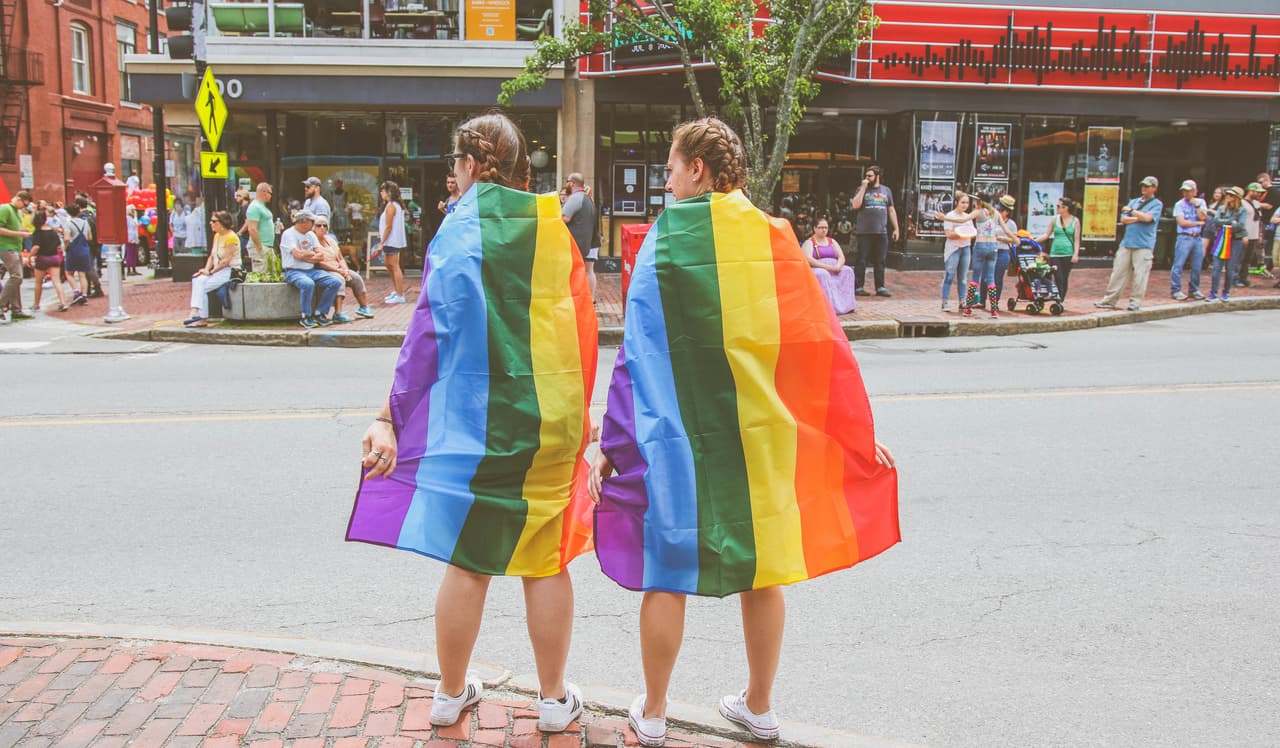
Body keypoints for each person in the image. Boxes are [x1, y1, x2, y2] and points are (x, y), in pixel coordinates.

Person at [589, 117, 898, 748]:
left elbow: (637, 356)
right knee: (762, 569)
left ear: (697, 169)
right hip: (759, 436)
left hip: (678, 440)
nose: (668, 182)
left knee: (666, 570)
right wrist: (850, 434)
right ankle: (759, 706)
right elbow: (816, 348)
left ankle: (652, 713)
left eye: (672, 169)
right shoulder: (774, 236)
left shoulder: (664, 242)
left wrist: (615, 445)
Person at [350, 111, 596, 735]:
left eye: (454, 165)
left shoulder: (456, 233)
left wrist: (391, 417)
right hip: (545, 418)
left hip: (471, 423)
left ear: (470, 164)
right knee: (544, 559)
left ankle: (450, 693)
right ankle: (552, 699)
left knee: (468, 560)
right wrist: (581, 411)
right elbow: (579, 331)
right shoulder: (551, 229)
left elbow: (426, 337)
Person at [1096, 176, 1163, 312]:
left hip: (1144, 245)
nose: (1144, 188)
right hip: (1127, 243)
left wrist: (1133, 212)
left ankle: (1135, 303)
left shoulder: (1157, 204)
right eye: (1143, 185)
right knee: (1118, 273)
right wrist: (1138, 217)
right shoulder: (1134, 201)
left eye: (1147, 186)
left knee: (1140, 276)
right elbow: (1124, 219)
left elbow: (1148, 218)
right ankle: (1109, 300)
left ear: (1154, 188)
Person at [280, 209, 342, 328]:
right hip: (293, 271)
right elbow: (297, 254)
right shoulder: (289, 234)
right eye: (312, 221)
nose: (314, 223)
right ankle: (306, 316)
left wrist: (306, 255)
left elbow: (320, 255)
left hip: (311, 270)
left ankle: (320, 313)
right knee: (308, 284)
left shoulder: (311, 234)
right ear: (303, 222)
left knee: (335, 282)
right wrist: (310, 255)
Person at [183, 211, 241, 328]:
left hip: (229, 271)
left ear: (223, 223)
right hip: (218, 270)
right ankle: (198, 315)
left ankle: (197, 313)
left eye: (214, 221)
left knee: (202, 285)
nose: (211, 223)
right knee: (198, 280)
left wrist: (210, 272)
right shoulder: (217, 236)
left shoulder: (232, 238)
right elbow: (212, 256)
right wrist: (205, 270)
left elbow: (226, 261)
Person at [850, 164, 899, 297]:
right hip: (864, 231)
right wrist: (863, 188)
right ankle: (858, 286)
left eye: (870, 176)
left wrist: (896, 228)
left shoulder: (886, 191)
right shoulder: (861, 189)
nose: (867, 178)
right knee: (862, 259)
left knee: (880, 260)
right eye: (866, 175)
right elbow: (855, 205)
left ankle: (880, 287)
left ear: (877, 177)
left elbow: (891, 209)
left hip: (881, 231)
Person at [313, 215, 373, 321]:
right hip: (325, 270)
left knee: (356, 277)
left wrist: (345, 270)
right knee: (339, 279)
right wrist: (338, 271)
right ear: (314, 228)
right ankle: (338, 312)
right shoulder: (313, 242)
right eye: (319, 225)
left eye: (325, 225)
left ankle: (364, 307)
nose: (322, 228)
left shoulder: (330, 241)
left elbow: (340, 258)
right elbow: (319, 263)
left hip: (338, 268)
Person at [803, 216, 856, 314]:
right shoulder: (809, 242)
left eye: (825, 228)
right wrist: (828, 268)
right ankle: (828, 307)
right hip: (818, 267)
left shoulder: (832, 241)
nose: (823, 230)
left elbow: (841, 256)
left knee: (848, 271)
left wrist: (838, 266)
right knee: (822, 274)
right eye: (821, 227)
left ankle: (847, 305)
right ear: (814, 228)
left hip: (834, 267)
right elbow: (809, 259)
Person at [1036, 198, 1081, 303]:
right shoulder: (1054, 219)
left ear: (1066, 208)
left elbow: (1076, 239)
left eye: (1058, 206)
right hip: (1055, 252)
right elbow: (1047, 234)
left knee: (1064, 278)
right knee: (1057, 276)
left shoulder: (1075, 221)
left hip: (1068, 253)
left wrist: (1076, 254)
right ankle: (1056, 298)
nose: (1057, 208)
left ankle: (1061, 299)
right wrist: (1033, 241)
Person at [1208, 186, 1248, 302]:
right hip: (1221, 238)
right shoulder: (1221, 208)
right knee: (1216, 268)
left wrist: (1224, 224)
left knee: (1230, 268)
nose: (1228, 197)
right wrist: (1231, 221)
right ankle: (1213, 293)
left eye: (1231, 195)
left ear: (1237, 198)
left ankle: (1226, 292)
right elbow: (1216, 221)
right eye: (1228, 195)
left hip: (1235, 240)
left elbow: (1240, 225)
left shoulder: (1242, 210)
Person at [1170, 180, 1207, 300]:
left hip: (1197, 237)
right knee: (1178, 264)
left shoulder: (1201, 202)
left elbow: (1203, 217)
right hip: (1184, 236)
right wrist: (1197, 222)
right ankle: (1175, 290)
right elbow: (1182, 222)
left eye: (1188, 191)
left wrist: (1196, 206)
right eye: (1184, 191)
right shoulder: (1179, 204)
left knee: (1197, 266)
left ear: (1195, 191)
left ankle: (1194, 289)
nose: (1185, 193)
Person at [562, 172, 598, 298]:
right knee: (588, 271)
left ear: (572, 183)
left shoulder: (576, 197)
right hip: (587, 242)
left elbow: (564, 217)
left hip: (576, 243)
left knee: (572, 272)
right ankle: (588, 298)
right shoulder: (587, 199)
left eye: (567, 181)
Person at [939, 192, 975, 312]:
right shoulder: (950, 215)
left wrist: (965, 234)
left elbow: (971, 232)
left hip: (965, 248)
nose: (965, 205)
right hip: (953, 249)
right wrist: (961, 234)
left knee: (963, 277)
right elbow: (948, 234)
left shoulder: (967, 217)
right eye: (963, 202)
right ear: (956, 203)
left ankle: (962, 301)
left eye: (967, 203)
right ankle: (944, 301)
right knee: (949, 275)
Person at [372, 180, 408, 304]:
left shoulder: (392, 206)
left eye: (383, 190)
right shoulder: (391, 205)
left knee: (394, 266)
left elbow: (388, 226)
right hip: (391, 240)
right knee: (389, 265)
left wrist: (381, 242)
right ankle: (397, 291)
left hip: (392, 240)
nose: (381, 193)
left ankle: (400, 294)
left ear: (388, 192)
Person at [0, 190, 33, 322]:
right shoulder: (5, 209)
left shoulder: (17, 212)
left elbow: (12, 228)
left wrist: (21, 231)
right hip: (6, 247)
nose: (24, 208)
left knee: (17, 278)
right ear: (19, 199)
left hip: (15, 247)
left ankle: (16, 309)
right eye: (24, 204)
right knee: (16, 276)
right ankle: (2, 304)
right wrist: (19, 234)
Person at [965, 198, 1001, 318]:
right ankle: (994, 310)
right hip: (993, 246)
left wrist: (945, 218)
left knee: (975, 278)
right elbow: (1005, 229)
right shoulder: (995, 212)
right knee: (991, 279)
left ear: (979, 201)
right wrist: (1015, 239)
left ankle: (968, 308)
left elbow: (963, 219)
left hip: (980, 244)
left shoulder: (978, 211)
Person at [28, 212, 69, 313]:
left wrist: (29, 256)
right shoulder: (53, 231)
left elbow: (36, 247)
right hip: (54, 257)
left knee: (38, 282)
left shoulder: (37, 232)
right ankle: (62, 303)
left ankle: (36, 304)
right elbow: (58, 246)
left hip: (42, 258)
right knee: (57, 281)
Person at [63, 204, 97, 306]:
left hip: (73, 250)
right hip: (84, 249)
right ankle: (84, 295)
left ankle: (76, 291)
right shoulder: (85, 223)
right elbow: (90, 237)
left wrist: (66, 248)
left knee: (69, 273)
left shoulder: (68, 224)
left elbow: (66, 238)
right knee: (82, 274)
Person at [993, 194, 1019, 304]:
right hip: (991, 249)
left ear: (1007, 212)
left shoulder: (1011, 224)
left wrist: (1001, 238)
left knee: (998, 277)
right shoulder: (993, 220)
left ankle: (995, 301)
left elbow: (1014, 239)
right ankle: (982, 300)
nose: (999, 211)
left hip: (1003, 251)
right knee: (986, 276)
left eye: (1001, 210)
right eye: (998, 209)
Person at [245, 183, 276, 272]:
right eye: (270, 193)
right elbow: (252, 229)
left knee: (271, 273)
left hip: (267, 246)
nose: (271, 196)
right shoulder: (255, 207)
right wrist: (260, 248)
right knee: (262, 273)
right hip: (260, 246)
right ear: (264, 192)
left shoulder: (262, 207)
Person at [1237, 181, 1263, 286]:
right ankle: (1236, 278)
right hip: (1244, 234)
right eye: (1257, 192)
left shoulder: (1256, 203)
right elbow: (1239, 219)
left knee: (1248, 258)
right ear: (1251, 191)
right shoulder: (1242, 203)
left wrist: (1260, 234)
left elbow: (1259, 219)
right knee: (1240, 257)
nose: (1259, 194)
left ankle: (1244, 278)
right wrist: (1243, 234)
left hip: (1254, 234)